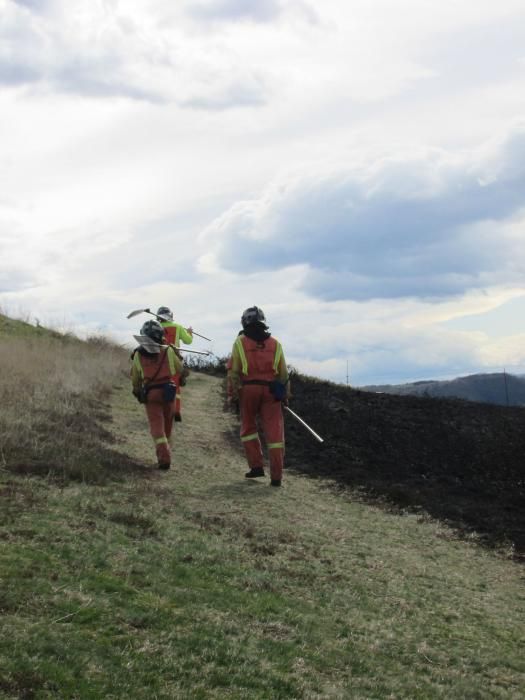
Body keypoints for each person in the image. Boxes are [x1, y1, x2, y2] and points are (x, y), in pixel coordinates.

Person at [229, 306, 290, 487]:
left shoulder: (240, 342)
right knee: (275, 433)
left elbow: (234, 372)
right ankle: (276, 477)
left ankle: (256, 467)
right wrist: (285, 395)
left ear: (245, 322)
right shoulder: (275, 344)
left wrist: (233, 395)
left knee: (248, 428)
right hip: (271, 392)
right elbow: (284, 374)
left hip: (248, 390)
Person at [130, 320, 183, 470]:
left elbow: (135, 377)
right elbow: (179, 369)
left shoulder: (138, 355)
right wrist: (176, 353)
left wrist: (136, 389)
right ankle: (165, 454)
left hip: (151, 395)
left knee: (157, 429)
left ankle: (164, 459)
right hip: (169, 393)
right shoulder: (168, 350)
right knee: (167, 428)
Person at [156, 306, 193, 422]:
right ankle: (176, 411)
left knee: (159, 385)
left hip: (158, 361)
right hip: (174, 361)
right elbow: (188, 341)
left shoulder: (156, 327)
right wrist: (190, 333)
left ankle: (161, 411)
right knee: (175, 387)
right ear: (170, 316)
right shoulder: (178, 327)